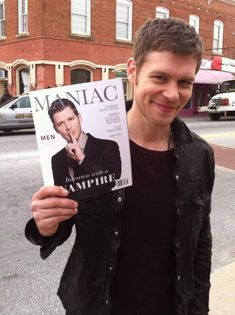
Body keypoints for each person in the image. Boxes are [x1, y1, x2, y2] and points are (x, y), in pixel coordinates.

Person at [25, 18, 215, 315]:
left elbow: (200, 242)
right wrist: (45, 226)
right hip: (97, 305)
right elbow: (60, 224)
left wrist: (199, 309)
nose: (172, 94)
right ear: (133, 72)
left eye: (184, 82)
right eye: (160, 77)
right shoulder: (106, 147)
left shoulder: (200, 154)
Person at [48, 98, 122, 199]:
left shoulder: (108, 146)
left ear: (79, 118)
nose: (68, 127)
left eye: (71, 119)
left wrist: (82, 159)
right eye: (60, 124)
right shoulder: (56, 159)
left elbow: (112, 181)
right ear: (55, 129)